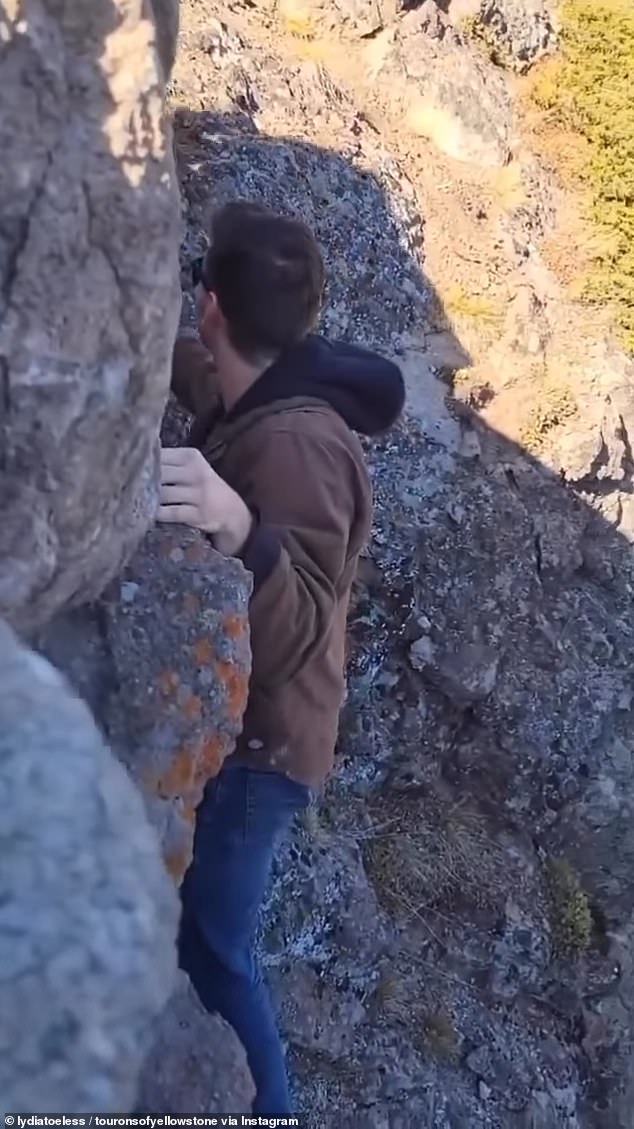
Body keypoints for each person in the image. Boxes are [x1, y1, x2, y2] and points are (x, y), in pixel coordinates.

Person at [159, 200, 404, 1114]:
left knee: (217, 950)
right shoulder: (261, 386)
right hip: (256, 732)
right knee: (203, 939)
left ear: (214, 303)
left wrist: (238, 527)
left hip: (267, 752)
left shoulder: (298, 443)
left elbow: (300, 622)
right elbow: (211, 382)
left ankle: (272, 1110)